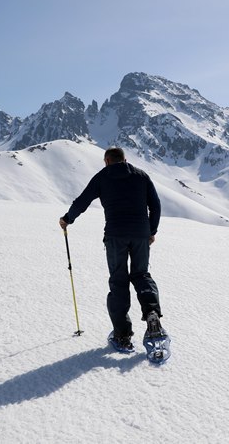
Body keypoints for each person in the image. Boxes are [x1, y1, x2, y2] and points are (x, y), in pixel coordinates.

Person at [59, 147, 164, 352]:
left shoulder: (103, 176)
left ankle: (122, 335)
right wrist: (151, 230)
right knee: (141, 274)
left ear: (107, 161)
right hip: (140, 234)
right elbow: (156, 205)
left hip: (116, 235)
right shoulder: (141, 175)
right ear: (125, 159)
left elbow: (82, 201)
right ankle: (152, 313)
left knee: (118, 280)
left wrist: (67, 219)